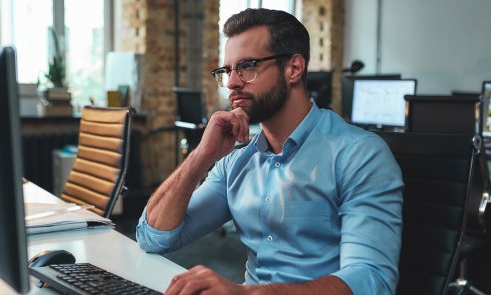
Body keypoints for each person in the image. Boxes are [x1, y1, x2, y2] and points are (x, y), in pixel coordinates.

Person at [137, 8, 403, 295]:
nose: (232, 82)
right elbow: (154, 237)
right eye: (227, 70)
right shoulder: (237, 162)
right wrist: (201, 156)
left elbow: (371, 281)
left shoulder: (359, 155)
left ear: (294, 68)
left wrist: (248, 294)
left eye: (247, 66)